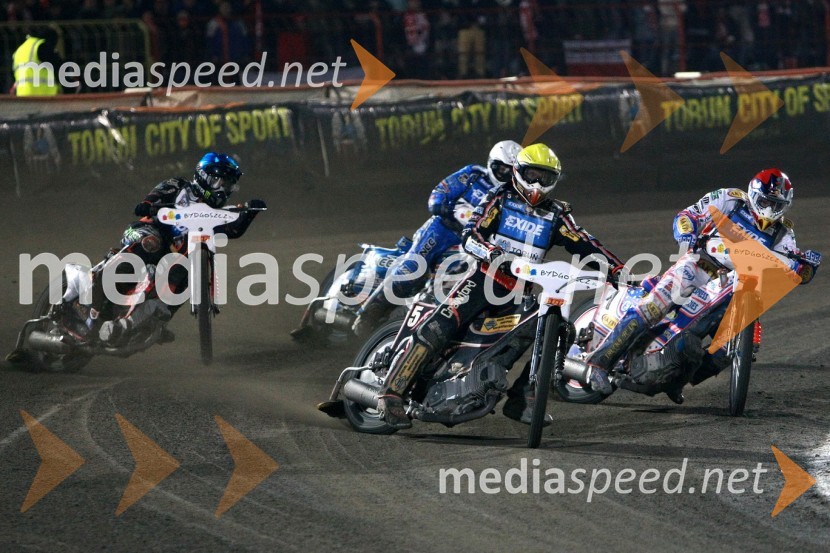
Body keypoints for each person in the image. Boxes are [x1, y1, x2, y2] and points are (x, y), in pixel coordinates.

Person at [375, 143, 625, 429]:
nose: (537, 183)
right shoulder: (501, 198)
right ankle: (391, 391)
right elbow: (471, 235)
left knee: (555, 330)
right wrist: (492, 254)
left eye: (545, 177)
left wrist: (616, 269)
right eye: (532, 174)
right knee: (439, 326)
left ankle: (524, 398)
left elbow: (584, 243)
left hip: (520, 293)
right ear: (518, 172)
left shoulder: (557, 214)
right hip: (483, 279)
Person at [585, 169, 822, 400]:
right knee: (654, 306)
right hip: (699, 265)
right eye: (766, 202)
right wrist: (687, 234)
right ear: (753, 194)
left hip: (736, 285)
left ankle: (674, 379)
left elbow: (796, 270)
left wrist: (807, 265)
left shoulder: (784, 233)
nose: (770, 210)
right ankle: (599, 363)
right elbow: (688, 216)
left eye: (777, 205)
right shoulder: (730, 199)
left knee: (726, 352)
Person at [351, 140, 522, 337]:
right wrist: (443, 206)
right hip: (442, 229)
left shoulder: (512, 199)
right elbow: (441, 190)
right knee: (412, 269)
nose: (505, 175)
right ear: (492, 163)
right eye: (501, 169)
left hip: (470, 244)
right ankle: (369, 314)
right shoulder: (474, 174)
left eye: (511, 172)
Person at [91, 153, 266, 344]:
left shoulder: (216, 214)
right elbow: (155, 195)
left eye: (229, 185)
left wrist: (250, 213)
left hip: (173, 256)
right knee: (152, 244)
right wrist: (148, 204)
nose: (224, 190)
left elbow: (233, 229)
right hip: (147, 230)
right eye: (221, 183)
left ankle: (154, 319)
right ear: (205, 177)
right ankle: (98, 291)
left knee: (188, 275)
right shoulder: (179, 185)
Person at [11, 29, 62, 96]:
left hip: (22, 96)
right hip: (43, 96)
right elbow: (59, 66)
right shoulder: (42, 46)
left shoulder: (19, 50)